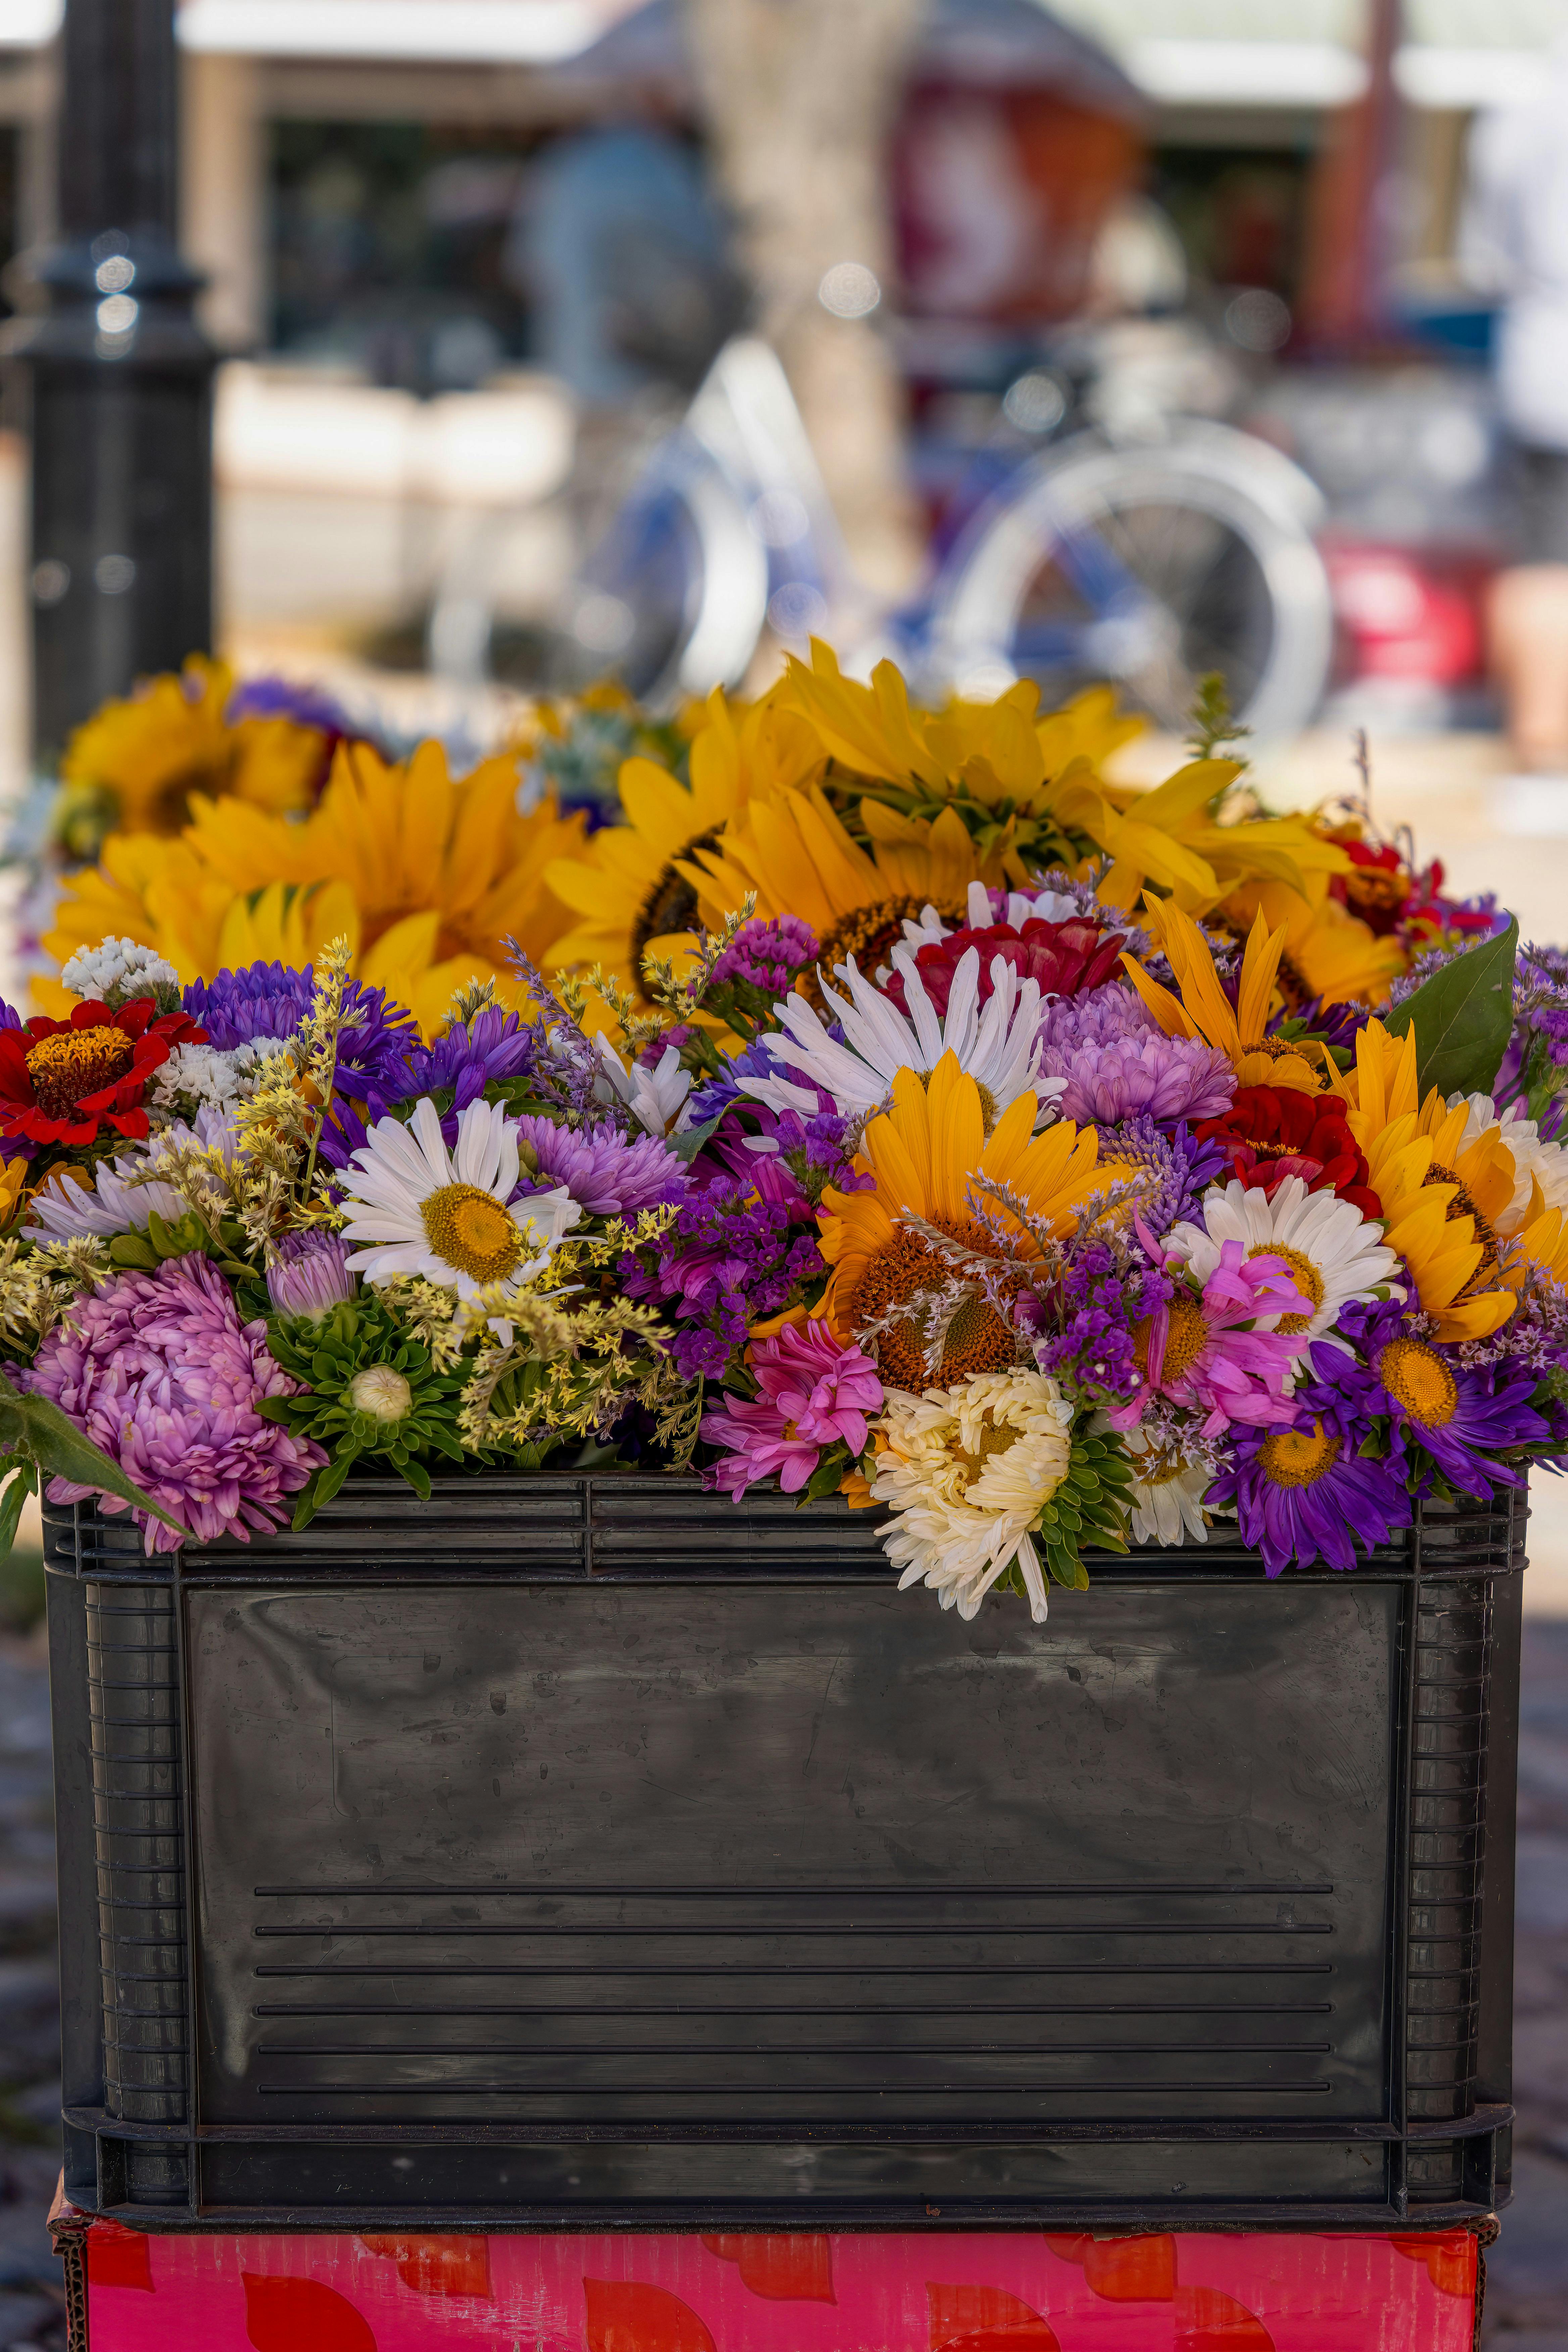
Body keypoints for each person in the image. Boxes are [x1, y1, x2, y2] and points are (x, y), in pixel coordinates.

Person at [1462, 38, 1568, 782]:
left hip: (1542, 362)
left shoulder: (1518, 109)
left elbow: (1481, 261)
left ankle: (1538, 747)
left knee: (1539, 557)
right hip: (1544, 364)